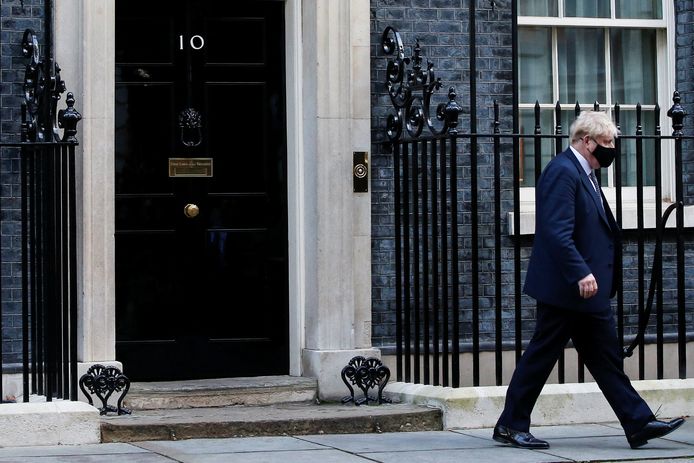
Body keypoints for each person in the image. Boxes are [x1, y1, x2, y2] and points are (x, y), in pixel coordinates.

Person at [492, 111, 685, 450]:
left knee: (605, 358)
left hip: (587, 291)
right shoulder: (562, 172)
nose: (611, 149)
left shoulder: (586, 174)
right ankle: (510, 424)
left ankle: (638, 423)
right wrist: (580, 271)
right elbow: (555, 232)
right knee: (541, 355)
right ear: (585, 141)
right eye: (606, 143)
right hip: (567, 288)